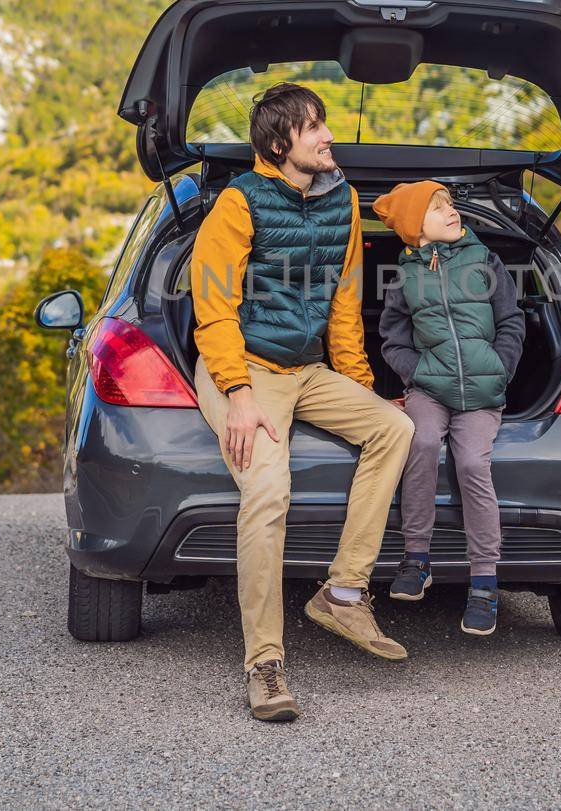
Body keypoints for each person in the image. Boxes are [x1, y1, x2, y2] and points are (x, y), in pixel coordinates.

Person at [190, 82, 414, 723]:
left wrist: (359, 386)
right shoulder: (239, 203)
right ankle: (265, 663)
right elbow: (214, 304)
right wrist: (235, 393)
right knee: (267, 488)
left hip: (308, 368)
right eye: (313, 127)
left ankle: (343, 593)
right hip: (245, 367)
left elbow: (345, 304)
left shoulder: (342, 197)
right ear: (278, 142)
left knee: (393, 430)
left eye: (324, 124)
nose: (326, 136)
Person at [373, 181, 525, 635]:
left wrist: (499, 368)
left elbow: (511, 320)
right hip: (430, 390)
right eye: (438, 210)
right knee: (418, 442)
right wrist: (417, 373)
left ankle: (484, 582)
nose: (452, 212)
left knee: (473, 464)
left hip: (482, 393)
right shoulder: (406, 276)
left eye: (450, 205)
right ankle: (416, 558)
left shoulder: (485, 261)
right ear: (416, 228)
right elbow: (392, 338)